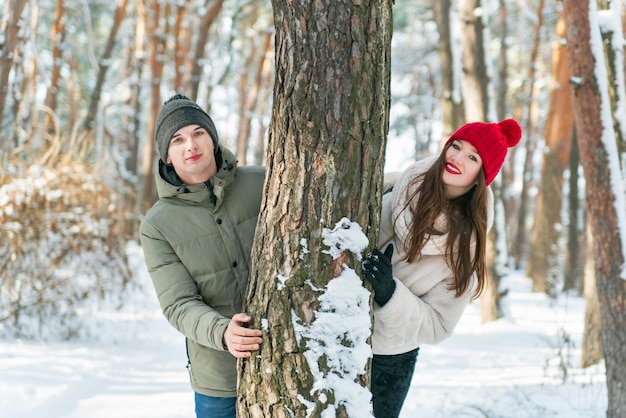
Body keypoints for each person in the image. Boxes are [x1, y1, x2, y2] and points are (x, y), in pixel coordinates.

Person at [362, 119, 522, 418]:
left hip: (386, 360)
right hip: (333, 326)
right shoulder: (396, 185)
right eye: (457, 146)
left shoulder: (465, 250)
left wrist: (390, 292)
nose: (457, 158)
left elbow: (438, 325)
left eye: (473, 157)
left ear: (480, 177)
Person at [139, 94, 264, 418]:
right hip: (218, 380)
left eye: (198, 133)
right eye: (177, 139)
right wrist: (223, 332)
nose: (190, 145)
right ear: (167, 155)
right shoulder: (157, 225)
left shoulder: (262, 182)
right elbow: (178, 303)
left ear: (212, 139)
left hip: (286, 355)